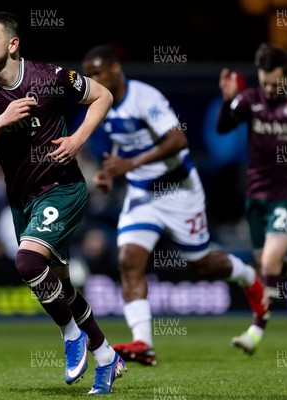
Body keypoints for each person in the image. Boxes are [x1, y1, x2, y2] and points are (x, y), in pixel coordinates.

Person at [0, 12, 126, 395]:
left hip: (62, 188)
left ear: (13, 44)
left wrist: (78, 139)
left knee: (27, 261)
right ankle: (105, 356)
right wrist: (0, 121)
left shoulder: (50, 77)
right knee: (63, 288)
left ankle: (72, 336)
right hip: (22, 200)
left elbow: (103, 94)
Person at [80, 44, 268, 366]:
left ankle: (247, 276)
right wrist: (110, 174)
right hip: (142, 193)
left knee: (199, 262)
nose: (94, 79)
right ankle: (144, 344)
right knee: (129, 260)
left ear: (116, 70)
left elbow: (178, 139)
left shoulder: (145, 98)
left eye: (99, 73)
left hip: (178, 189)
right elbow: (116, 142)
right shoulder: (100, 103)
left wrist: (130, 163)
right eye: (89, 75)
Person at [217, 42, 287, 354]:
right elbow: (223, 127)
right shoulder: (250, 99)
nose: (269, 88)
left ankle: (256, 330)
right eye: (264, 82)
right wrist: (226, 100)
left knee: (271, 262)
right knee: (264, 261)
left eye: (274, 82)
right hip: (256, 194)